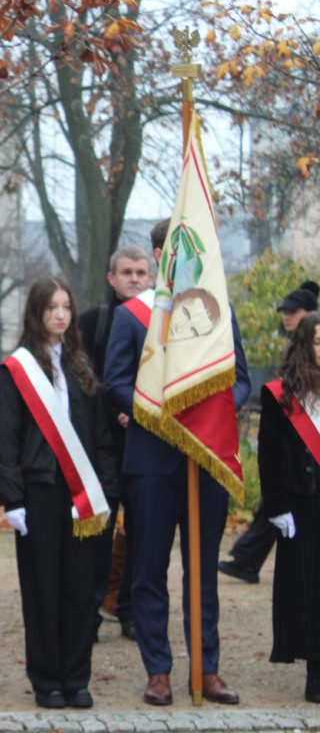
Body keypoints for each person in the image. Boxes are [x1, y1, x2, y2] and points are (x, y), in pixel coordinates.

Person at [102, 219, 250, 707]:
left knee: (202, 571)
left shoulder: (217, 309)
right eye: (171, 249)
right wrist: (158, 415)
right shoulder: (133, 316)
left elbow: (240, 380)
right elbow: (115, 383)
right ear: (158, 254)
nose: (181, 256)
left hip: (205, 459)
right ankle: (158, 671)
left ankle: (206, 669)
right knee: (148, 569)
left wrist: (213, 414)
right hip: (152, 461)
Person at [0, 277, 116, 709]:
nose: (60, 315)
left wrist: (106, 488)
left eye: (66, 307)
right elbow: (3, 442)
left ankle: (77, 679)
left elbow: (101, 437)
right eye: (51, 307)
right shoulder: (15, 372)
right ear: (36, 313)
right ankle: (47, 681)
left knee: (80, 591)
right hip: (38, 495)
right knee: (42, 590)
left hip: (82, 496)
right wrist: (12, 498)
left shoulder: (81, 367)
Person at [220, 279, 319, 585]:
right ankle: (247, 557)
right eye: (284, 312)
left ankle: (247, 557)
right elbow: (271, 453)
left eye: (293, 312)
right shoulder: (288, 369)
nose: (286, 317)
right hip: (294, 480)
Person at [77, 246, 153, 643]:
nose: (135, 279)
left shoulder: (163, 322)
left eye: (141, 272)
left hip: (147, 443)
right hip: (102, 445)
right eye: (127, 272)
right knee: (98, 532)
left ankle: (131, 611)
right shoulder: (92, 322)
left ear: (152, 278)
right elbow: (82, 380)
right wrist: (117, 410)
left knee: (142, 532)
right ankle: (89, 612)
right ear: (111, 278)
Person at [257, 312, 320, 703]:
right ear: (304, 345)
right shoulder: (282, 394)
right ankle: (316, 671)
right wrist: (277, 505)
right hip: (303, 504)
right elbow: (270, 455)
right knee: (309, 588)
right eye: (319, 341)